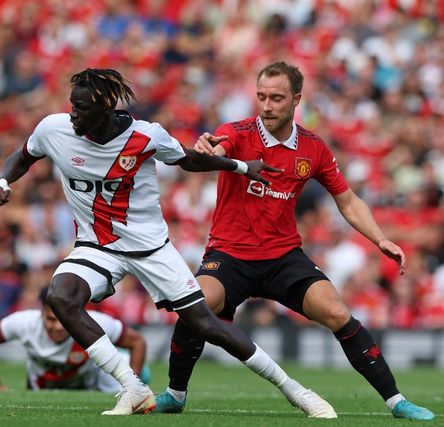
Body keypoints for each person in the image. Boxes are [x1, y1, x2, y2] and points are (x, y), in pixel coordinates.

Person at [0, 68, 336, 417]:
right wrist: (2, 181)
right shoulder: (54, 129)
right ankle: (132, 387)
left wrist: (242, 167)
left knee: (205, 324)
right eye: (72, 106)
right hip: (97, 247)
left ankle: (296, 391)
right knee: (61, 296)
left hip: (150, 248)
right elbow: (22, 156)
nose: (74, 114)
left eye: (82, 108)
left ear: (106, 106)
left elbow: (189, 159)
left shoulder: (145, 136)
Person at [156, 61, 435, 421]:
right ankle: (176, 394)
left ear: (296, 99)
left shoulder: (313, 148)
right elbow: (217, 148)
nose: (267, 105)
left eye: (276, 98)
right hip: (229, 255)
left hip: (283, 257)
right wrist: (210, 149)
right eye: (261, 97)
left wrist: (380, 238)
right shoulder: (237, 132)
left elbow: (347, 200)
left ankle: (397, 401)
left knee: (337, 312)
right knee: (197, 304)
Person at [0, 287, 150, 392]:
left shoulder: (95, 322)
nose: (58, 327)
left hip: (92, 383)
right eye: (51, 319)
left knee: (138, 370)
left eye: (63, 320)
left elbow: (137, 342)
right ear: (41, 313)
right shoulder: (24, 322)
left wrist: (132, 388)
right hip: (43, 386)